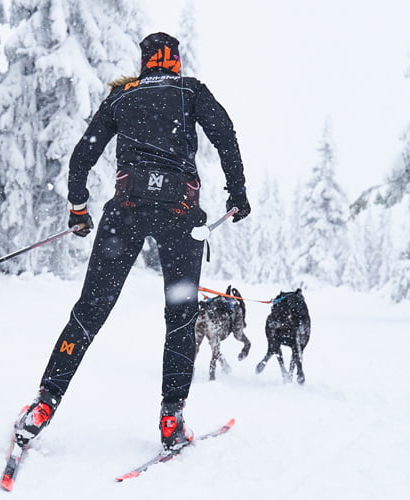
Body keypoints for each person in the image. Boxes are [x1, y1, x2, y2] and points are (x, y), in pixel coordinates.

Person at [13, 32, 251, 452]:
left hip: (126, 211)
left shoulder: (124, 96)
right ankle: (170, 418)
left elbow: (82, 155)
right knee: (180, 317)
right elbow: (225, 133)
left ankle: (44, 404)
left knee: (89, 311)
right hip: (180, 213)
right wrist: (237, 192)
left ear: (145, 63)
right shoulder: (189, 90)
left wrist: (78, 208)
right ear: (174, 60)